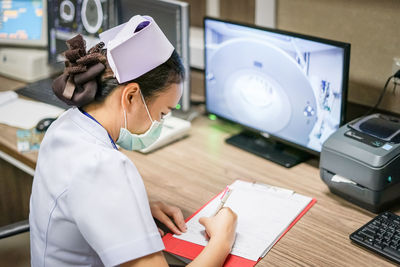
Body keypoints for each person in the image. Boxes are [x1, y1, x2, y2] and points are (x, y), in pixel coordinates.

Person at [29, 15, 237, 267]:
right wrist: (222, 241)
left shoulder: (66, 124)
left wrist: (131, 207)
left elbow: (79, 197)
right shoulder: (104, 166)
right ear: (130, 96)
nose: (159, 123)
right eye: (162, 113)